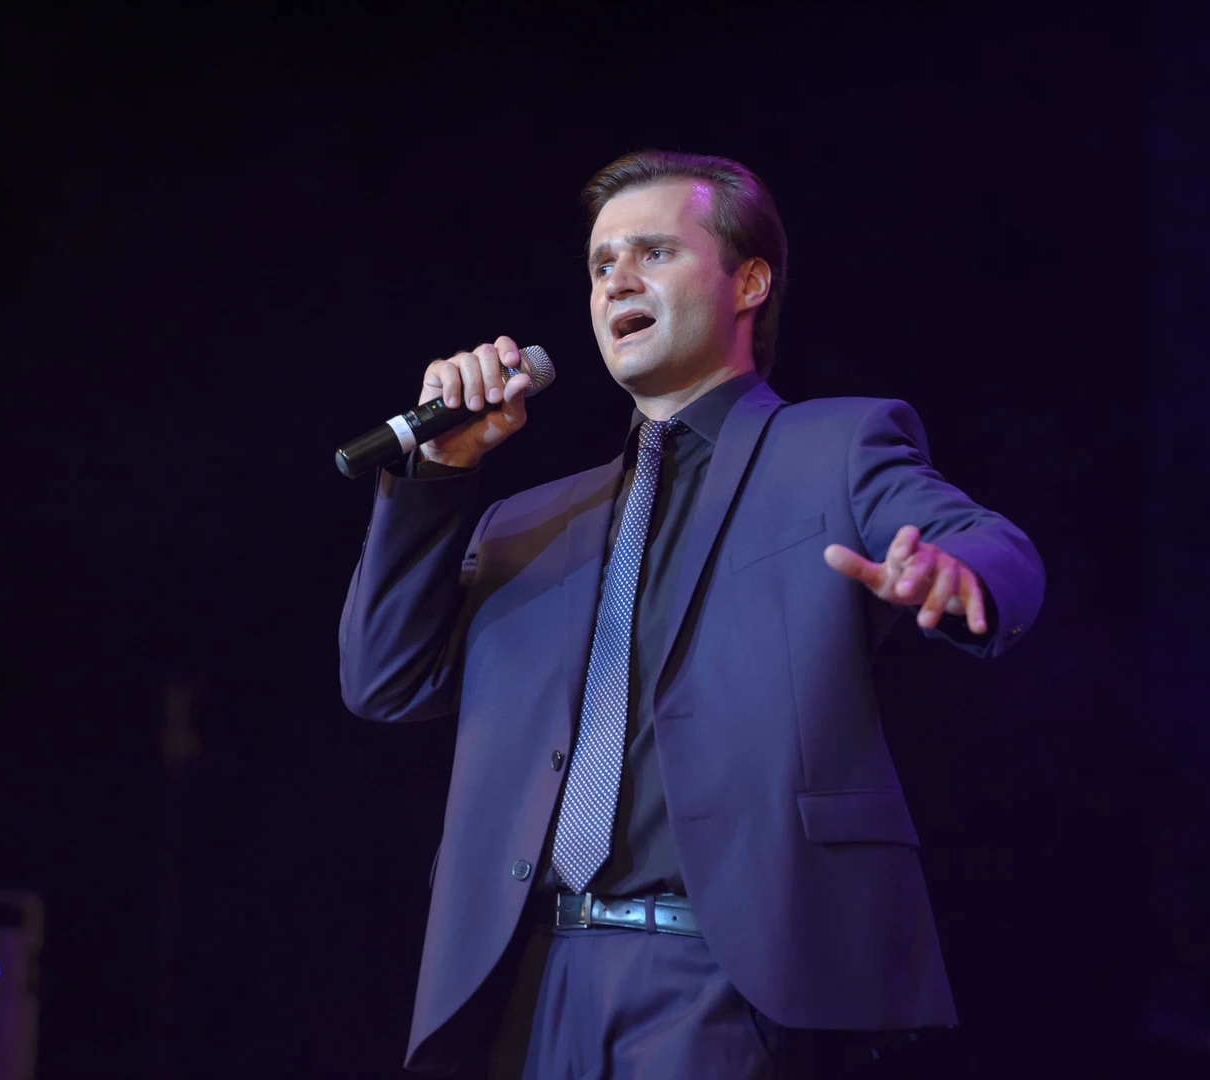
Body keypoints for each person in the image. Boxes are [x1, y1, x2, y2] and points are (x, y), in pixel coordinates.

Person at [338, 149, 1044, 1079]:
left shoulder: (832, 447)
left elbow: (989, 544)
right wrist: (436, 476)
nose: (617, 281)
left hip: (721, 976)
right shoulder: (527, 521)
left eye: (655, 253)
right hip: (528, 979)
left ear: (748, 282)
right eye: (600, 264)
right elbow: (385, 680)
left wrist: (958, 577)